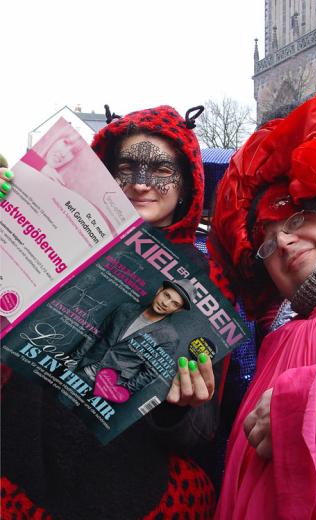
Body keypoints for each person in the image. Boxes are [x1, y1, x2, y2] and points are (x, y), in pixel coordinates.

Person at [1, 105, 218, 520]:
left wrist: (179, 407)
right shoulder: (58, 230)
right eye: (127, 167)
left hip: (131, 490)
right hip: (24, 469)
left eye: (160, 170)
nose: (140, 184)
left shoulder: (201, 280)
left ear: (187, 183)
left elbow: (201, 429)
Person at [208, 90, 316, 519]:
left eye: (294, 219)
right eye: (266, 242)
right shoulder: (277, 340)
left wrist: (304, 401)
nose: (282, 241)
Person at [74, 279, 195, 395]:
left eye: (174, 304)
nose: (165, 303)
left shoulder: (169, 338)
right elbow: (95, 334)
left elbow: (149, 373)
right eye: (167, 295)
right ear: (160, 290)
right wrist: (73, 361)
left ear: (178, 310)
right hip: (83, 370)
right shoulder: (125, 308)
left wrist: (119, 392)